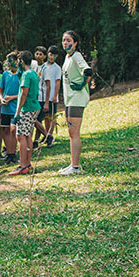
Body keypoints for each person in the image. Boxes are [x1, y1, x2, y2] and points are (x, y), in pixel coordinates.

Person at [59, 30, 92, 175]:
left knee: (74, 133)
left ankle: (76, 167)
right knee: (71, 132)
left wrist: (83, 84)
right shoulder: (68, 56)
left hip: (77, 99)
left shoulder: (77, 56)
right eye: (64, 40)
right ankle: (73, 163)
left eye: (68, 40)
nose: (65, 43)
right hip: (69, 99)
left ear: (75, 43)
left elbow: (88, 70)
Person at [9, 51, 40, 175]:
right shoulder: (33, 73)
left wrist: (17, 112)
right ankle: (27, 164)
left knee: (21, 136)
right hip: (34, 106)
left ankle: (23, 165)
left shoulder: (27, 75)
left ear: (21, 61)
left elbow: (24, 94)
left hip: (26, 108)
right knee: (27, 136)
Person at [0, 51, 21, 165]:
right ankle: (9, 153)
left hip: (16, 107)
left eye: (13, 60)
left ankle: (13, 153)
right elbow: (0, 90)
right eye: (9, 61)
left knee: (14, 130)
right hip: (5, 108)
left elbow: (24, 93)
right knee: (6, 130)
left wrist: (12, 97)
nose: (11, 63)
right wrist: (1, 99)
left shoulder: (21, 74)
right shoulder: (5, 74)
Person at [43, 45, 62, 148]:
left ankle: (50, 135)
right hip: (44, 95)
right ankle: (46, 134)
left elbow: (58, 82)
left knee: (52, 117)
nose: (51, 57)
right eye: (50, 55)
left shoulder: (57, 68)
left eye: (54, 55)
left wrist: (55, 95)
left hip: (52, 96)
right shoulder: (43, 66)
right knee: (46, 117)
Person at [32, 46, 49, 150]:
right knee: (37, 120)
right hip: (34, 96)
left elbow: (48, 85)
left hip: (41, 97)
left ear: (44, 56)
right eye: (37, 54)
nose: (38, 56)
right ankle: (36, 141)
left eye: (40, 54)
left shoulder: (46, 68)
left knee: (35, 119)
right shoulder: (33, 66)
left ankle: (47, 136)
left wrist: (47, 101)